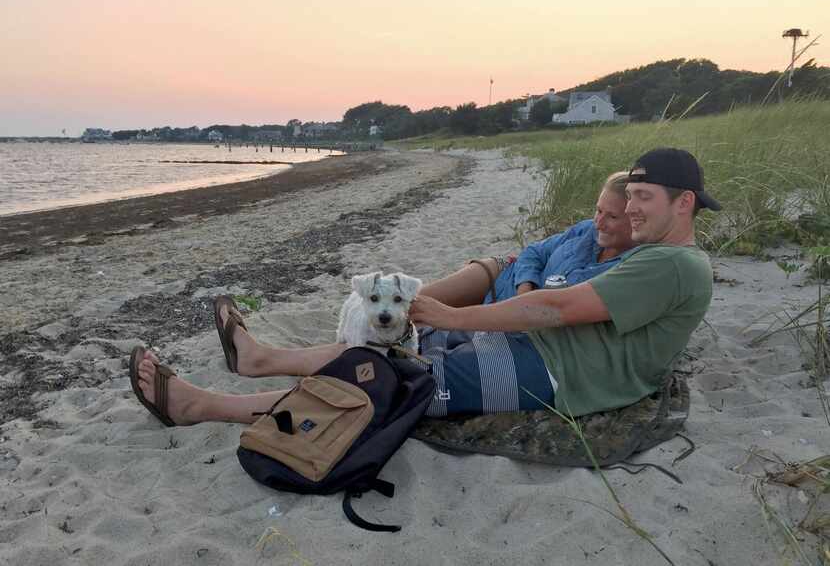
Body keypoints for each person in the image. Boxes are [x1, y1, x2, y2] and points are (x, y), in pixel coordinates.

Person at [129, 148, 720, 427]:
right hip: (529, 356)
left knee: (379, 384)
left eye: (643, 200)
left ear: (683, 203)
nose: (631, 212)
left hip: (549, 376)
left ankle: (201, 406)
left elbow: (556, 308)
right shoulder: (656, 256)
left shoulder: (674, 265)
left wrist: (448, 315)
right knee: (381, 354)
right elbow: (541, 274)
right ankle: (260, 359)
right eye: (629, 199)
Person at [419, 170, 635, 309]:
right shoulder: (586, 230)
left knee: (422, 331)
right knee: (411, 303)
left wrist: (523, 304)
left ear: (636, 218)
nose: (599, 222)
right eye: (598, 211)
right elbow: (533, 252)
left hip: (512, 318)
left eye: (612, 216)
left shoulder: (632, 267)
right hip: (504, 275)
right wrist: (525, 288)